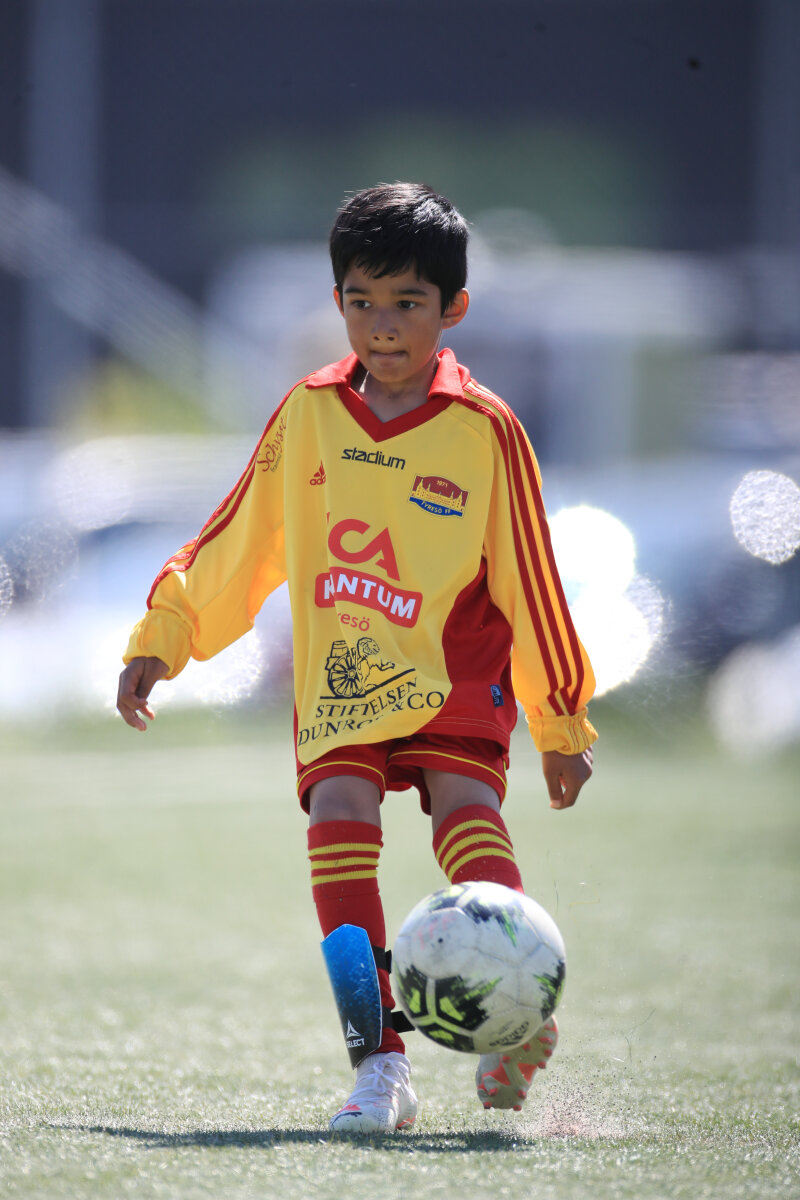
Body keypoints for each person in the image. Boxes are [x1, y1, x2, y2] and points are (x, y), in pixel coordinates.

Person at [117, 182, 598, 1135]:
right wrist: (164, 634)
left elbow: (533, 579)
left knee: (464, 806)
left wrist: (561, 720)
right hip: (343, 673)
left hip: (456, 666)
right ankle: (379, 1062)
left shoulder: (486, 428)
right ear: (337, 300)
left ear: (453, 308)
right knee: (338, 812)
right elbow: (238, 537)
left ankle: (514, 1013)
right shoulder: (308, 413)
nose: (382, 325)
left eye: (407, 303)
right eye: (361, 301)